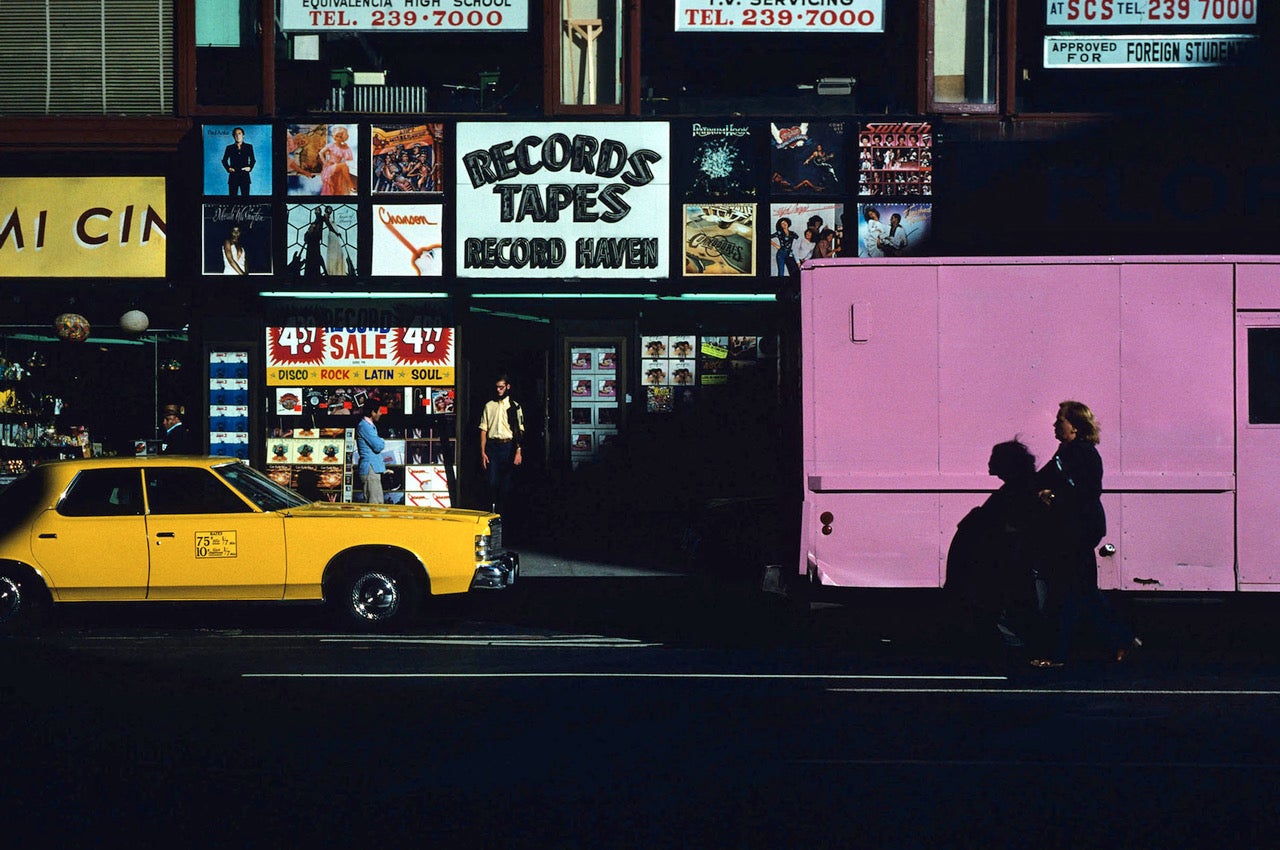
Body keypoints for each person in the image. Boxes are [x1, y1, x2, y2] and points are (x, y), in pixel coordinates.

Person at [1030, 400, 1141, 668]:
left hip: (1075, 531)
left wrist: (1051, 496)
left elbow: (1082, 492)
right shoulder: (1070, 451)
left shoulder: (1079, 454)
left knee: (1067, 591)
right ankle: (1121, 640)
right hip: (1078, 530)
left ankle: (1059, 654)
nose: (1056, 424)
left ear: (1075, 427)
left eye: (1060, 420)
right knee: (1081, 591)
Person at [946, 438, 1044, 649]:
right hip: (1005, 558)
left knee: (1008, 604)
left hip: (1005, 559)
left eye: (995, 459)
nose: (990, 463)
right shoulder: (1018, 487)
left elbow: (1009, 523)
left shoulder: (1016, 490)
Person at [478, 374, 524, 514]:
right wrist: (482, 452)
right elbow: (483, 429)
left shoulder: (514, 406)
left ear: (507, 387)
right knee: (492, 481)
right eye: (497, 387)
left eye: (501, 387)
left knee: (506, 483)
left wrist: (518, 451)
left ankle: (504, 513)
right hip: (492, 446)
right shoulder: (489, 405)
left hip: (508, 446)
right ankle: (492, 510)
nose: (498, 390)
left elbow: (519, 430)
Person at [355, 401, 386, 505]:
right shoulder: (364, 426)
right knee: (375, 504)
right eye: (379, 411)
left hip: (373, 469)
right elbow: (378, 446)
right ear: (373, 412)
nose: (381, 414)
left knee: (377, 501)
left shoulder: (368, 425)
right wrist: (381, 440)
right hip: (370, 470)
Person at [320, 125, 356, 196]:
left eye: (341, 137)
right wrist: (325, 162)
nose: (338, 138)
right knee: (344, 166)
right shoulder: (331, 145)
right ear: (334, 136)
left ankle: (350, 186)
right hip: (329, 168)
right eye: (337, 136)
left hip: (338, 167)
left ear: (344, 138)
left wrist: (346, 147)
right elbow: (320, 153)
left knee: (344, 166)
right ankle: (351, 185)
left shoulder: (344, 147)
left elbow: (348, 159)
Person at [220, 127, 255, 197]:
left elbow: (253, 160)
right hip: (233, 175)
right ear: (233, 136)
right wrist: (228, 168)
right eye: (235, 134)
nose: (238, 136)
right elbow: (224, 160)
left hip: (244, 175)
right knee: (232, 198)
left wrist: (250, 168)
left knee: (246, 198)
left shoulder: (249, 147)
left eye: (239, 134)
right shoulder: (229, 148)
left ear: (243, 135)